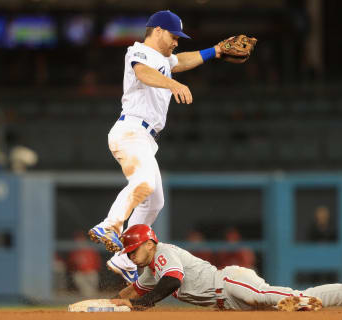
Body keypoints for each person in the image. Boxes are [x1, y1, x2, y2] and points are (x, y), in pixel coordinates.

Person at [88, 10, 254, 284]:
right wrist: (172, 83)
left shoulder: (163, 59)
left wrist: (214, 51)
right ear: (157, 31)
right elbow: (143, 74)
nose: (177, 41)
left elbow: (179, 61)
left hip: (145, 138)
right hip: (130, 130)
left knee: (155, 202)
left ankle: (123, 258)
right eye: (174, 36)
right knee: (143, 182)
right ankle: (109, 226)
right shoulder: (138, 52)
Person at [109, 224, 342, 311]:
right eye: (129, 251)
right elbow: (131, 293)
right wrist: (112, 304)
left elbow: (172, 282)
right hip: (230, 303)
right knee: (301, 303)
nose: (131, 255)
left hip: (229, 284)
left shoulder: (162, 254)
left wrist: (142, 303)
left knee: (297, 299)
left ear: (149, 243)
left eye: (134, 249)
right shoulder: (149, 272)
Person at [67, 231, 102, 297]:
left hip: (91, 272)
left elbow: (97, 261)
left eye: (81, 240)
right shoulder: (74, 251)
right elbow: (70, 263)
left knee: (92, 291)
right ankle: (87, 299)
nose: (79, 242)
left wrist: (95, 269)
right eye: (77, 241)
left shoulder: (90, 249)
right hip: (80, 273)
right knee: (86, 291)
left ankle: (91, 300)